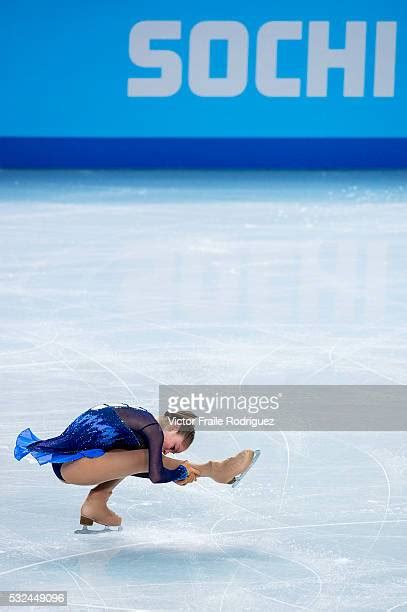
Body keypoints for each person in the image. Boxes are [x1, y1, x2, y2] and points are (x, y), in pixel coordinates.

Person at [14, 403, 257, 530]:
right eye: (174, 447)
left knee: (134, 455)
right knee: (143, 457)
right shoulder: (152, 430)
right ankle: (216, 470)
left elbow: (140, 468)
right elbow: (154, 474)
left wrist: (175, 472)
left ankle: (95, 504)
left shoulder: (140, 422)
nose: (167, 451)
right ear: (172, 428)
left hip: (75, 463)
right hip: (74, 465)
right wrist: (178, 471)